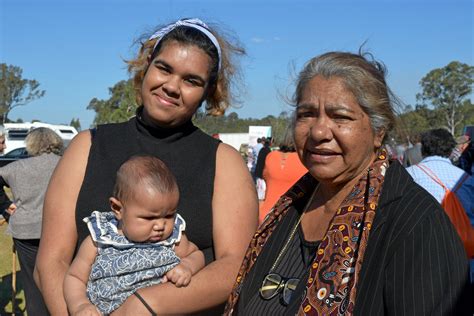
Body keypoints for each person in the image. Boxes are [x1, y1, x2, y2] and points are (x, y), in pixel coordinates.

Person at [35, 18, 258, 315]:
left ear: (208, 93)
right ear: (147, 65)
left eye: (191, 80)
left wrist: (146, 304)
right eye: (164, 68)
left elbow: (236, 267)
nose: (171, 86)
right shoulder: (87, 147)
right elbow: (52, 262)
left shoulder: (224, 162)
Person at [225, 51, 471, 315]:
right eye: (307, 114)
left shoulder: (416, 226)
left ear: (379, 131)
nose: (318, 132)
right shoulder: (293, 205)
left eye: (340, 117)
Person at [64, 156, 205, 315]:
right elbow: (75, 277)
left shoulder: (173, 239)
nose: (160, 225)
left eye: (169, 216)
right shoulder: (100, 239)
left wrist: (187, 266)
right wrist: (80, 305)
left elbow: (196, 254)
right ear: (118, 209)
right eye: (149, 218)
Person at [0, 127, 63, 315]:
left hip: (25, 231)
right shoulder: (65, 163)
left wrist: (5, 205)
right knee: (59, 279)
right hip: (59, 230)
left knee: (32, 283)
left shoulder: (17, 167)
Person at [259, 129, 307, 223]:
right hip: (289, 218)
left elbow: (265, 176)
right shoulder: (305, 161)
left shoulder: (271, 156)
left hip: (266, 214)